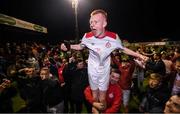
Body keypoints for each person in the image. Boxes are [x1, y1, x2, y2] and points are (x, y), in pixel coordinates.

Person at [61, 9, 148, 109]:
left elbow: (123, 49)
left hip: (104, 70)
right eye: (91, 22)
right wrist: (69, 46)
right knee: (95, 97)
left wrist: (140, 56)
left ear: (104, 23)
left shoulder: (113, 37)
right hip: (92, 70)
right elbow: (81, 46)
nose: (92, 25)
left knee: (102, 99)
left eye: (96, 22)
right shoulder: (87, 36)